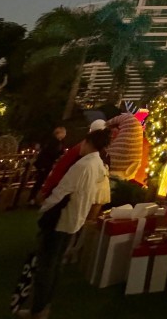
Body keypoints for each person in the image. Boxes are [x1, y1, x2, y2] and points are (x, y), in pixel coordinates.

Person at [22, 126, 112, 319]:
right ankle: (44, 306)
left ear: (88, 142)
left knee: (47, 263)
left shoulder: (83, 165)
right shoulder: (98, 165)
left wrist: (45, 206)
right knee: (55, 263)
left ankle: (38, 308)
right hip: (74, 219)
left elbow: (63, 190)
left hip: (61, 218)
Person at [38, 119, 108, 202]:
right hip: (67, 192)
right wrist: (47, 189)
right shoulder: (83, 150)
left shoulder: (94, 153)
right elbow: (63, 167)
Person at [30, 126, 67, 201]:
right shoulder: (53, 141)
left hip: (47, 163)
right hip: (44, 164)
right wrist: (58, 156)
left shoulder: (58, 142)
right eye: (63, 133)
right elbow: (51, 152)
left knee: (41, 181)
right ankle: (32, 198)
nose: (64, 135)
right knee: (40, 181)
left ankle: (34, 198)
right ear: (59, 133)